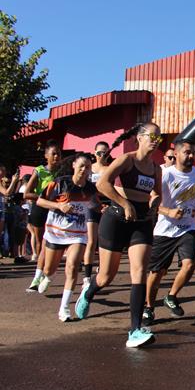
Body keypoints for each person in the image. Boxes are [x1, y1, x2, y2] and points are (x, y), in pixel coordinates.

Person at [74, 122, 163, 348]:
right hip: (115, 218)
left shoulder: (156, 169)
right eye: (151, 136)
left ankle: (134, 330)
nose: (155, 140)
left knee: (140, 272)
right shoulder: (127, 160)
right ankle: (89, 292)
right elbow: (103, 184)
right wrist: (124, 203)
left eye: (159, 138)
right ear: (139, 138)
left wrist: (154, 203)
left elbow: (157, 194)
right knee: (106, 276)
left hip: (141, 222)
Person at [143, 139, 195, 325]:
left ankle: (171, 296)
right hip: (165, 230)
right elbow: (151, 200)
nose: (191, 156)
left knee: (190, 264)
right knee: (157, 273)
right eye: (187, 152)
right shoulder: (165, 174)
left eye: (193, 152)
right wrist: (168, 211)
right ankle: (148, 308)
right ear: (176, 154)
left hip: (188, 227)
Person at [34, 153, 98, 322]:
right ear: (74, 166)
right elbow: (40, 202)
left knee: (72, 266)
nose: (84, 170)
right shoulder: (60, 182)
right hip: (56, 233)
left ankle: (64, 307)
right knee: (50, 269)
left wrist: (102, 209)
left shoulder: (91, 188)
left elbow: (95, 205)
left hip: (77, 234)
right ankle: (47, 276)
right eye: (82, 166)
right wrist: (59, 206)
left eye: (88, 167)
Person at [24, 140, 61, 292]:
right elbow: (27, 193)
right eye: (53, 154)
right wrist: (43, 197)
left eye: (59, 153)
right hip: (40, 208)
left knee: (51, 243)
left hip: (56, 211)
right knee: (41, 243)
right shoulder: (39, 170)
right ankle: (39, 275)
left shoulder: (63, 171)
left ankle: (44, 274)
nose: (57, 156)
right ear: (46, 156)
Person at [83, 141, 111, 288]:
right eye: (99, 152)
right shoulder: (89, 169)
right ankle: (87, 277)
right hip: (91, 205)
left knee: (104, 241)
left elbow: (111, 189)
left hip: (106, 206)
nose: (102, 155)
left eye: (105, 152)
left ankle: (101, 268)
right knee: (91, 241)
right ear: (94, 153)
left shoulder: (110, 169)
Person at [0, 165, 20, 259]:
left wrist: (15, 183)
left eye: (4, 170)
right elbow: (6, 193)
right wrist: (14, 181)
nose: (4, 172)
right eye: (2, 170)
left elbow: (9, 193)